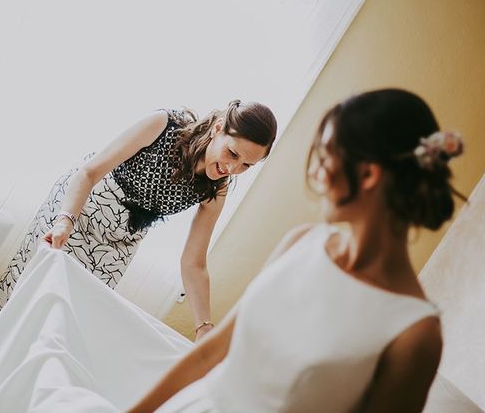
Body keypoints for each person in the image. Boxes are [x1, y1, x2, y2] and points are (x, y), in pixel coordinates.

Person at [126, 88, 464, 412]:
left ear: (368, 174)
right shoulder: (300, 243)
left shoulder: (415, 334)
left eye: (325, 156)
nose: (314, 173)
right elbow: (208, 355)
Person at [0, 100, 278, 399]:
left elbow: (194, 262)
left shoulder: (216, 189)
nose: (233, 168)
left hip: (120, 241)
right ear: (219, 128)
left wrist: (204, 327)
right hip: (79, 207)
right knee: (23, 294)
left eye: (247, 166)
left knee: (66, 320)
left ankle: (9, 399)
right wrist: (64, 222)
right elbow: (89, 172)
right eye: (233, 154)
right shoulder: (165, 124)